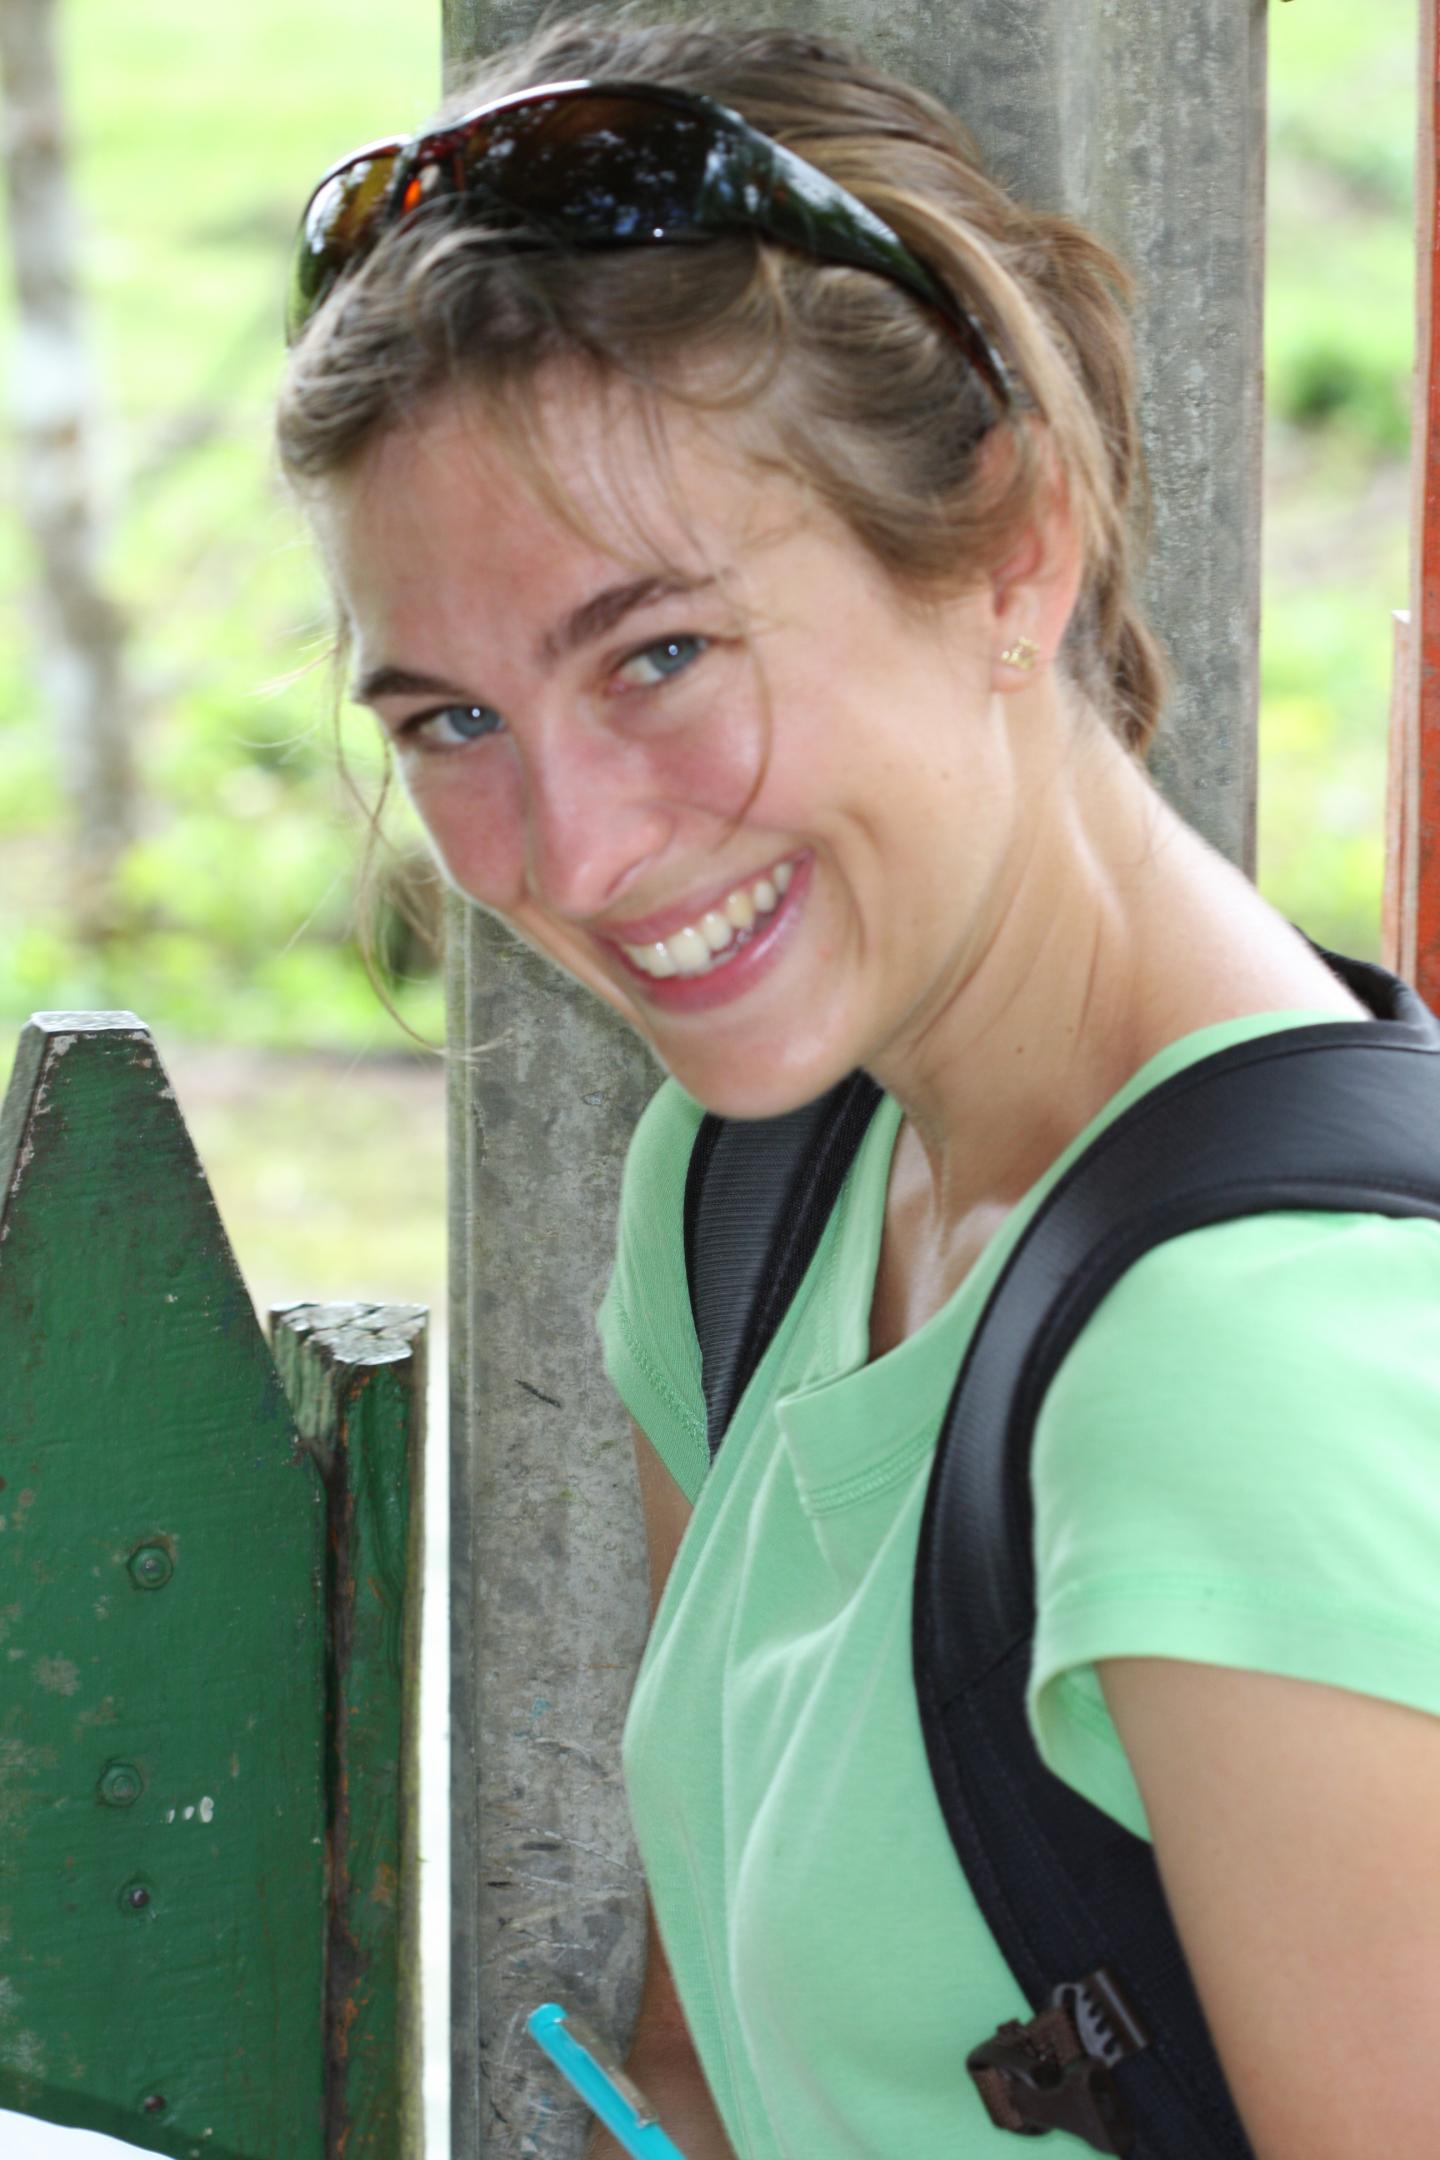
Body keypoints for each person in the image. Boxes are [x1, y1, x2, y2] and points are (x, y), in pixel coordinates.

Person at [278, 16, 1440, 2156]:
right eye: (453, 721)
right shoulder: (756, 1185)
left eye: (659, 654)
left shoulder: (1253, 1366)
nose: (573, 857)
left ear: (1014, 543)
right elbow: (709, 2077)